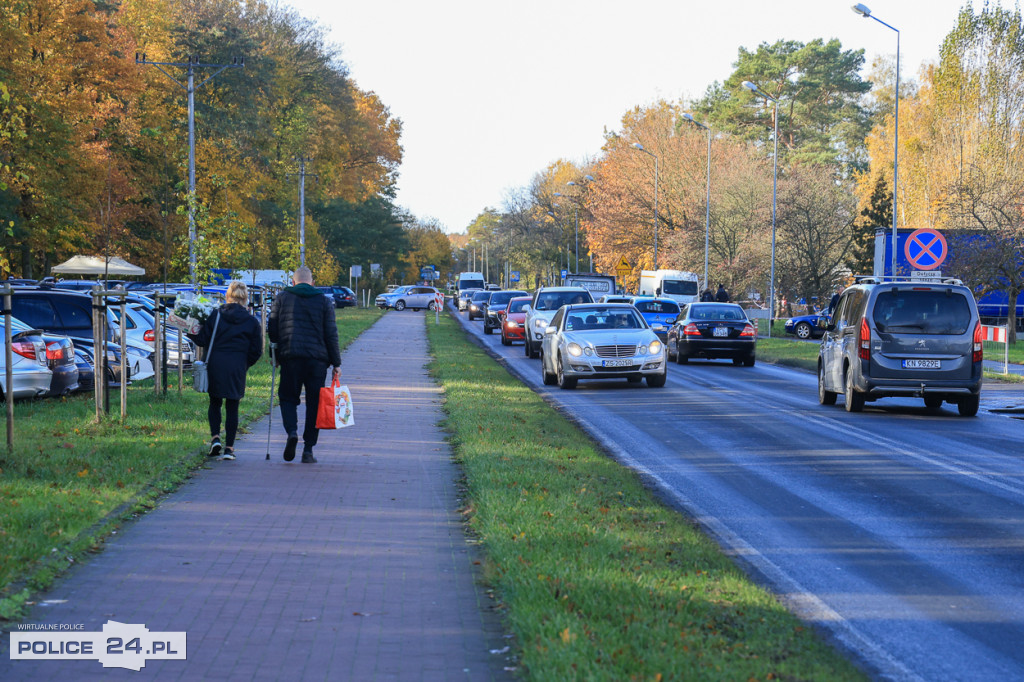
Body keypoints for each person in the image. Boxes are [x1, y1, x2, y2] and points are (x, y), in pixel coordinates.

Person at [268, 266, 342, 464]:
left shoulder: (282, 298)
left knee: (287, 397)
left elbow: (272, 329)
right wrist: (336, 362)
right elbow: (331, 333)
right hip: (317, 361)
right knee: (315, 404)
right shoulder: (324, 301)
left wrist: (274, 355)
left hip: (290, 356)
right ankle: (308, 449)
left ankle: (292, 431)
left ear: (293, 282)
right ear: (313, 282)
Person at [188, 281, 263, 461]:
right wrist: (245, 364)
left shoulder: (216, 315)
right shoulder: (252, 321)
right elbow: (256, 350)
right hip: (237, 365)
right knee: (233, 405)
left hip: (216, 363)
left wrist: (189, 329)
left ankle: (215, 438)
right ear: (245, 299)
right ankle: (229, 448)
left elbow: (203, 339)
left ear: (227, 296)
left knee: (215, 402)